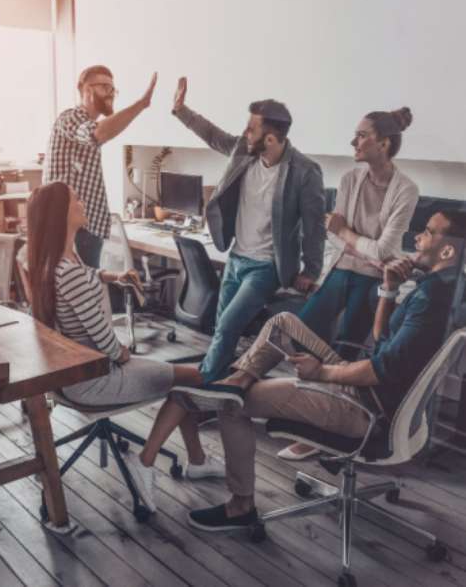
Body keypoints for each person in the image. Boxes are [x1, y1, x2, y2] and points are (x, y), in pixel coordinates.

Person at [173, 210, 465, 531]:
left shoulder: (430, 299)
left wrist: (319, 373)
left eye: (427, 232)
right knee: (283, 322)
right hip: (375, 394)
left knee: (232, 406)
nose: (418, 238)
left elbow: (377, 372)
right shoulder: (447, 289)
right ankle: (236, 381)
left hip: (367, 409)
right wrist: (390, 289)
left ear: (448, 250)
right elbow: (383, 342)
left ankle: (240, 505)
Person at [26, 182, 225, 513]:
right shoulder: (69, 273)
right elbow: (108, 345)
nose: (83, 201)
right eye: (76, 199)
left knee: (178, 375)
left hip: (71, 378)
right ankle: (147, 461)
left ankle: (199, 461)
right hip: (96, 379)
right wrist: (126, 354)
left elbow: (84, 277)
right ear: (62, 214)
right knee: (190, 378)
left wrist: (109, 276)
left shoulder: (55, 263)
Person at [281, 107, 419, 461]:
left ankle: (326, 426)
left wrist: (347, 233)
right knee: (302, 330)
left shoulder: (406, 189)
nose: (353, 141)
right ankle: (308, 409)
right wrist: (355, 240)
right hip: (342, 268)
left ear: (383, 143)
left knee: (347, 348)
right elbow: (338, 240)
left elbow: (385, 252)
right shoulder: (349, 179)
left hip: (372, 279)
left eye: (361, 135)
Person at [172, 77, 326, 385]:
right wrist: (181, 110)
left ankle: (202, 390)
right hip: (236, 257)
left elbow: (314, 225)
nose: (245, 133)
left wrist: (311, 269)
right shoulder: (244, 151)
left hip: (267, 266)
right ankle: (226, 386)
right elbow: (213, 135)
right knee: (221, 326)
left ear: (270, 139)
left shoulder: (304, 172)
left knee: (228, 325)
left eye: (252, 128)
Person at [43, 65, 158, 267]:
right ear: (87, 90)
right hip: (71, 229)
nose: (111, 94)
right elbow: (97, 134)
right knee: (80, 292)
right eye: (105, 87)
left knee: (88, 288)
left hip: (88, 228)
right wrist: (141, 104)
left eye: (113, 89)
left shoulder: (87, 124)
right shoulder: (70, 118)